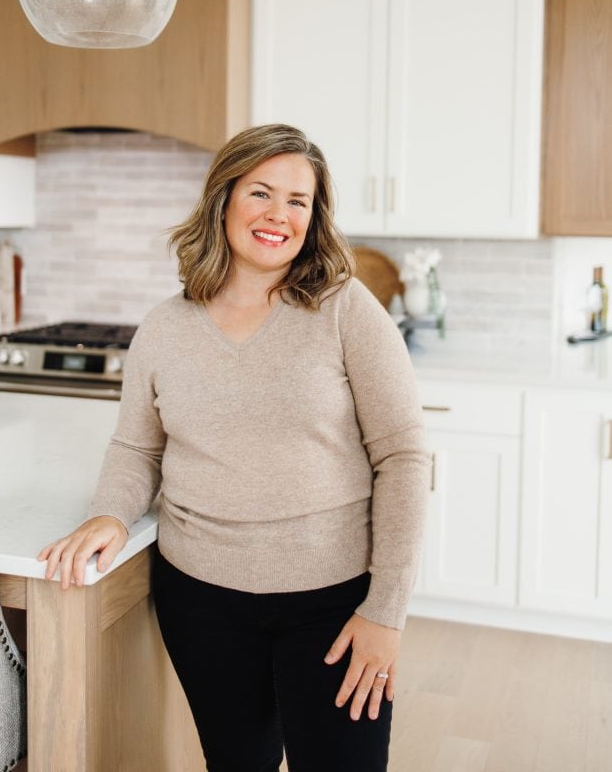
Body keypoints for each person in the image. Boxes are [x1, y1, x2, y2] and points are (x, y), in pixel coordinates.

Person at [37, 123, 430, 772]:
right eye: (261, 193)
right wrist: (108, 514)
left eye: (298, 200)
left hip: (332, 603)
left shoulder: (345, 309)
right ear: (223, 199)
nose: (279, 214)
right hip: (200, 600)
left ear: (314, 217)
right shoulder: (164, 327)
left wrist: (385, 611)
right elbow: (137, 448)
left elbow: (404, 458)